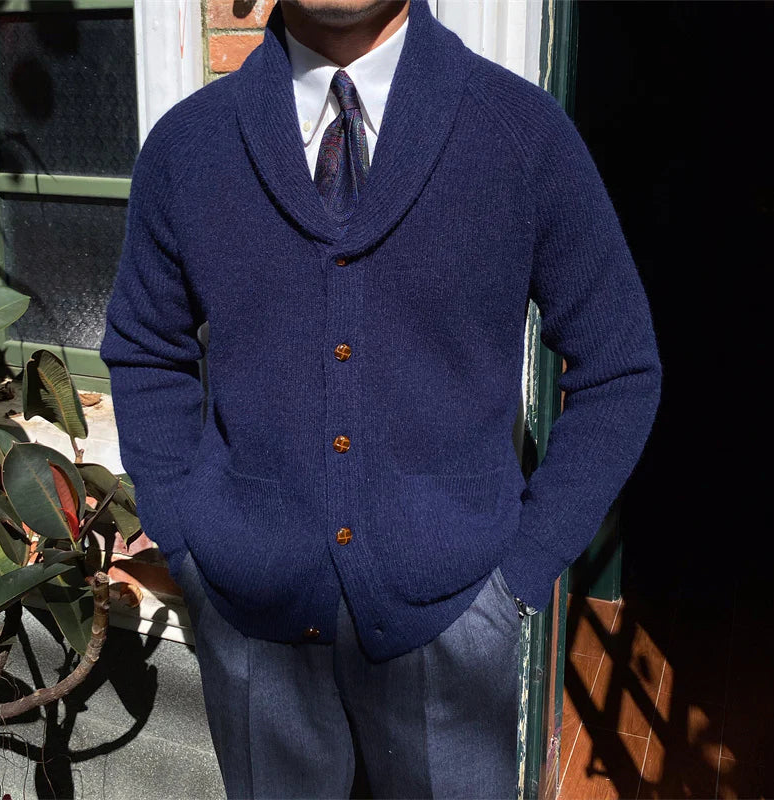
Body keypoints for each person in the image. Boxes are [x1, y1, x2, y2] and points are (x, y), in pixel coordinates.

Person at [99, 0, 662, 796]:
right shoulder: (188, 147)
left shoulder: (520, 134)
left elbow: (618, 365)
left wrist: (524, 570)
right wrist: (186, 540)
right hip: (249, 626)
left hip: (457, 623)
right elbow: (145, 349)